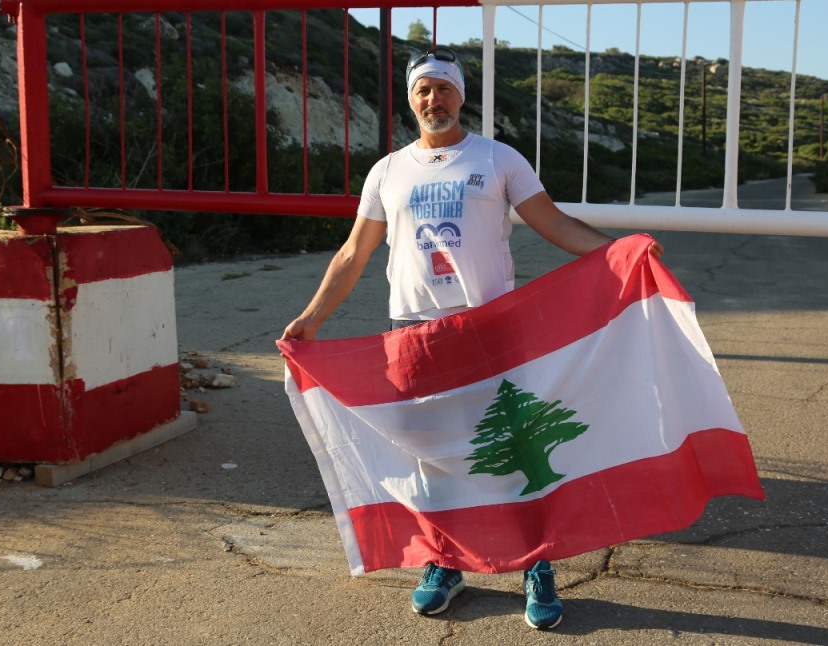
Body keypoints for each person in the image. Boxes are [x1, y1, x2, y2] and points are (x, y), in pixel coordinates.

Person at [281, 46, 662, 630]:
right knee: (432, 453)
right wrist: (312, 317)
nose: (433, 98)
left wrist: (621, 252)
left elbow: (552, 222)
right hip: (415, 331)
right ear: (411, 100)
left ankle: (537, 563)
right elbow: (354, 252)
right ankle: (445, 562)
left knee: (518, 448)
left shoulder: (498, 158)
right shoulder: (387, 171)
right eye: (423, 89)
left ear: (460, 95)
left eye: (443, 88)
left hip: (489, 325)